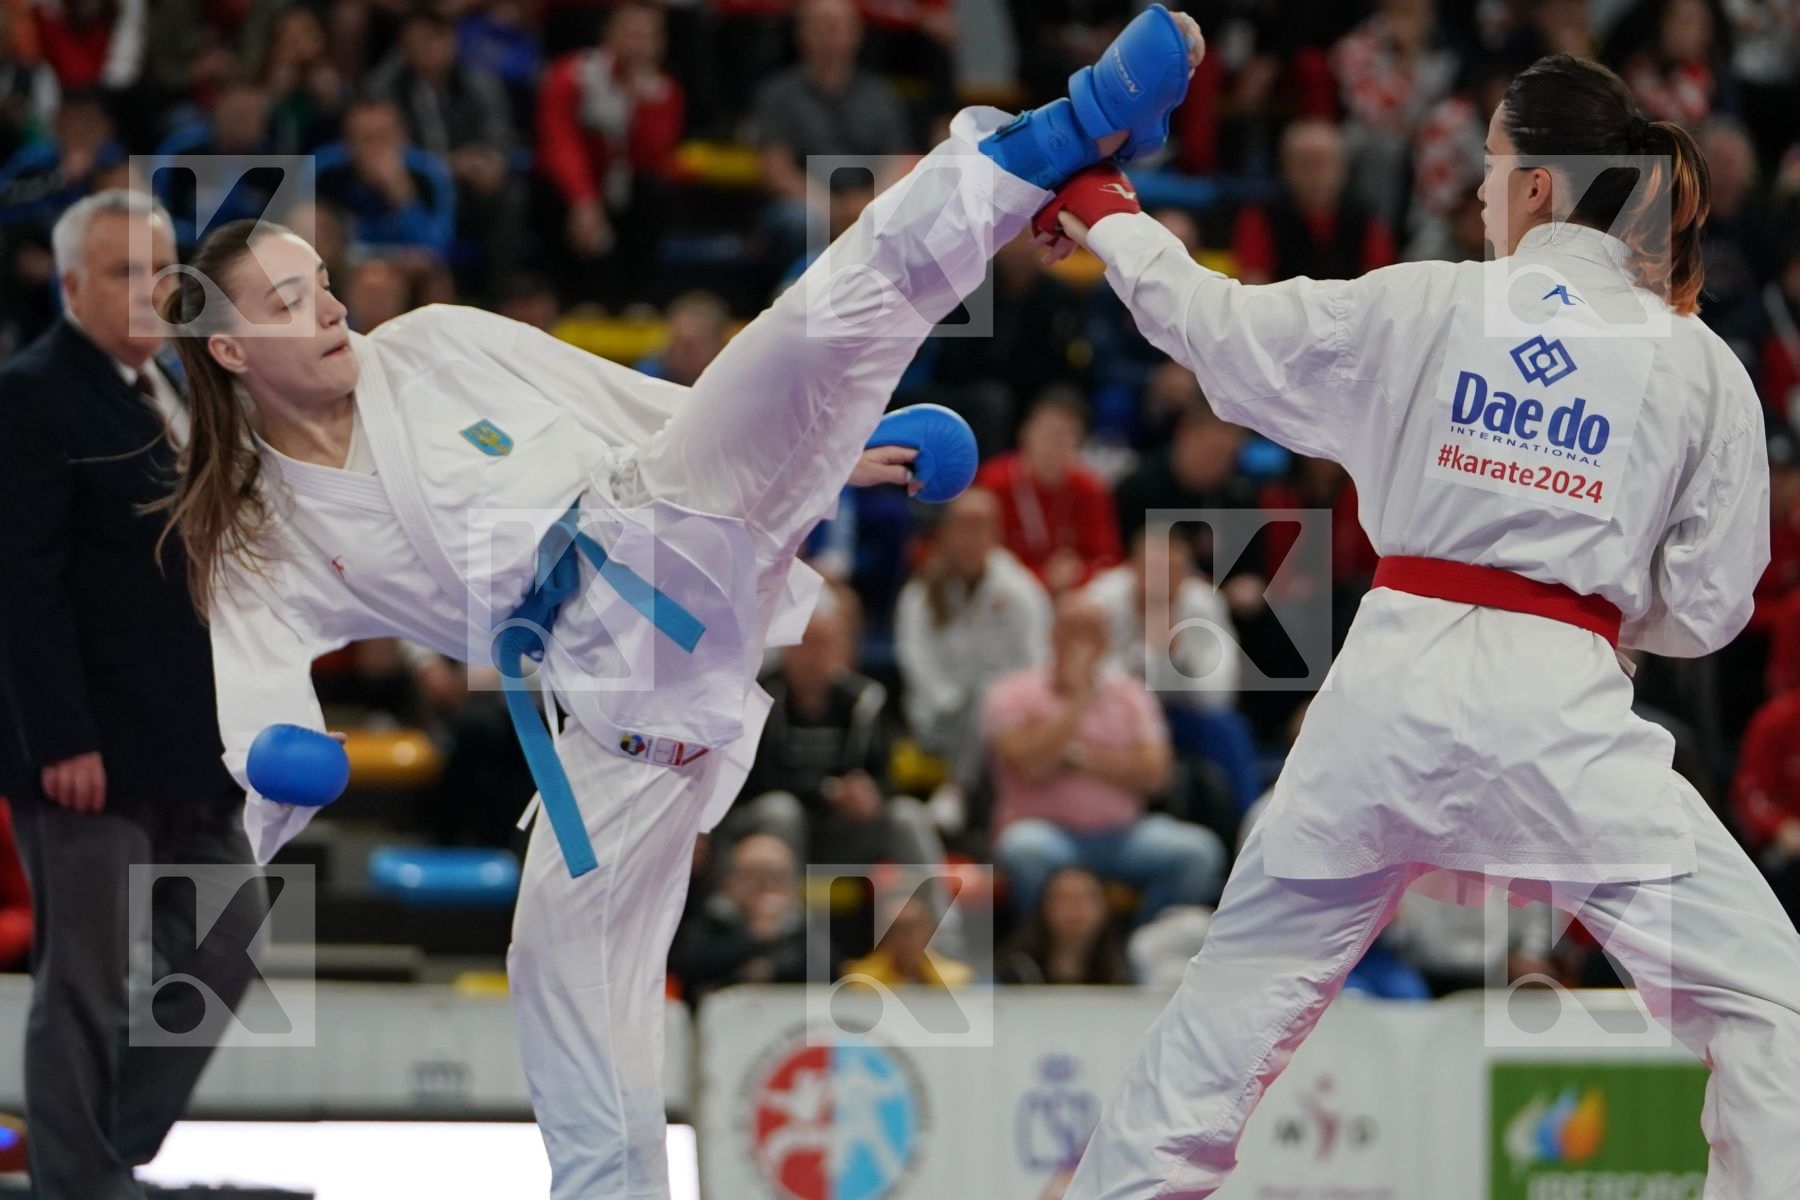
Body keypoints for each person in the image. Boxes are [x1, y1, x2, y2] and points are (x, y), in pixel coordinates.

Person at [158, 13, 1205, 1195]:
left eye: (327, 280)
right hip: (606, 725)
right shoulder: (261, 529)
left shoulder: (436, 342)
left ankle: (1042, 140)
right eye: (293, 301)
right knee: (561, 980)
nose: (334, 305)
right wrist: (276, 759)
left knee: (814, 330)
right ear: (233, 353)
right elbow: (252, 677)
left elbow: (638, 405)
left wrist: (841, 453)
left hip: (649, 536)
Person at [1037, 49, 1800, 1198]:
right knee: (1765, 1002)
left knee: (1219, 1029)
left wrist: (1103, 210)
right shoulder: (1697, 362)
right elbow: (1712, 607)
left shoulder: (1426, 298)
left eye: (1492, 170)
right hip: (1562, 715)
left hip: (1384, 697)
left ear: (1537, 186)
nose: (1481, 195)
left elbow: (1220, 330)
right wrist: (1598, 597)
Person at [0, 190, 265, 1200]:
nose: (151, 288)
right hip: (86, 753)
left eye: (162, 268)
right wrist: (58, 737)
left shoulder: (179, 390)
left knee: (232, 932)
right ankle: (79, 1179)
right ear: (70, 286)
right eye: (122, 270)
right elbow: (21, 588)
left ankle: (106, 1143)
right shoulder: (30, 395)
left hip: (188, 745)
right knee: (86, 978)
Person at [984, 595, 1227, 925]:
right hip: (1046, 834)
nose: (1080, 643)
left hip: (1123, 835)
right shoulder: (1011, 692)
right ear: (1051, 635)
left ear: (1106, 643)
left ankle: (1131, 951)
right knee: (1022, 848)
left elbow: (1156, 775)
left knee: (1199, 852)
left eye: (1091, 633)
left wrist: (1076, 758)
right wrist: (1079, 701)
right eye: (1072, 631)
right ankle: (1042, 952)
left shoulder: (1131, 694)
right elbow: (1027, 764)